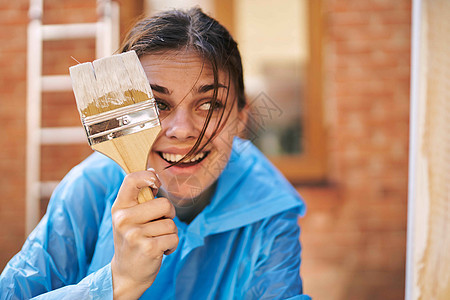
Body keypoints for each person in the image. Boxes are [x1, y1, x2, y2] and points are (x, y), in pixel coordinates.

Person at [0, 7, 310, 300]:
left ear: (242, 118)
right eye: (157, 104)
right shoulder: (89, 188)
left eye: (209, 104)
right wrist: (118, 283)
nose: (182, 130)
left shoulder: (269, 205)